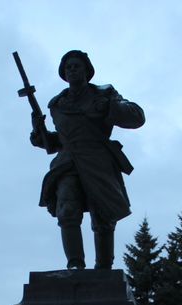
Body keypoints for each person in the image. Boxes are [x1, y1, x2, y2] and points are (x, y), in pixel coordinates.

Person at [29, 49, 145, 270]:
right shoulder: (57, 104)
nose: (72, 69)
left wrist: (111, 107)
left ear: (87, 71)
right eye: (68, 67)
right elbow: (59, 141)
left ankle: (103, 269)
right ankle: (75, 266)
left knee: (103, 218)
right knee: (67, 210)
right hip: (68, 162)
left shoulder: (104, 93)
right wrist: (40, 137)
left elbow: (137, 117)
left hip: (98, 160)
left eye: (76, 65)